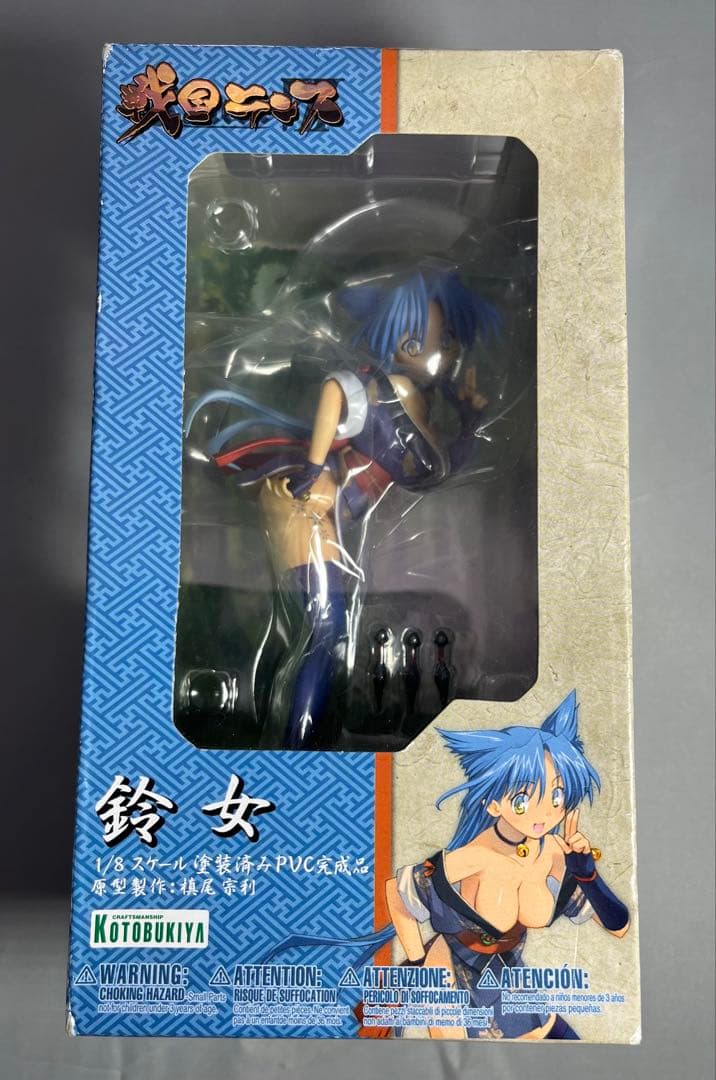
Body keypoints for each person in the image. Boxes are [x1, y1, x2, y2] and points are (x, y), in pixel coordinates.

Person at [186, 264, 499, 748]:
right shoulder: (391, 389)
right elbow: (335, 389)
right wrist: (312, 467)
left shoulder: (413, 399)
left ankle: (300, 740)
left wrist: (469, 419)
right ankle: (297, 743)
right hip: (309, 505)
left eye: (450, 339)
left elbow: (432, 471)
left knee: (327, 632)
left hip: (329, 511)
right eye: (432, 339)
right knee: (325, 629)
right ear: (401, 340)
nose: (446, 350)